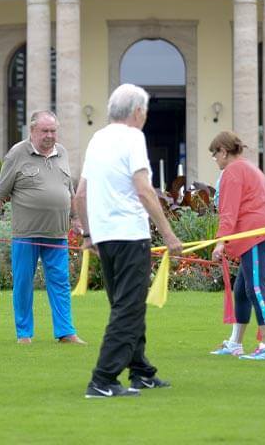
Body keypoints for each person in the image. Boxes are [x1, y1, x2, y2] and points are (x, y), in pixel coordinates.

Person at [74, 84, 183, 398]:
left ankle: (141, 372)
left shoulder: (97, 139)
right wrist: (169, 234)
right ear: (138, 112)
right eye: (145, 111)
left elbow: (80, 194)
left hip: (105, 237)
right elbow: (144, 189)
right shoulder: (134, 137)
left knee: (125, 306)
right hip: (130, 234)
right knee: (128, 309)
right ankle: (103, 379)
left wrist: (88, 235)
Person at [0, 110, 85, 345]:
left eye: (53, 131)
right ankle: (24, 334)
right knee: (23, 283)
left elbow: (69, 190)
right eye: (45, 131)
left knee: (60, 282)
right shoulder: (17, 154)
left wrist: (76, 218)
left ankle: (66, 331)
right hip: (26, 234)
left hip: (57, 233)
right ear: (32, 131)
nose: (50, 136)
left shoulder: (61, 153)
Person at [207, 131, 265, 361]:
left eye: (215, 155)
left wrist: (221, 241)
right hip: (262, 232)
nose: (215, 160)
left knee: (255, 289)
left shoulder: (233, 171)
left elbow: (228, 211)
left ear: (223, 151)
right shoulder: (250, 167)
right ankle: (235, 343)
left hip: (257, 234)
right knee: (242, 290)